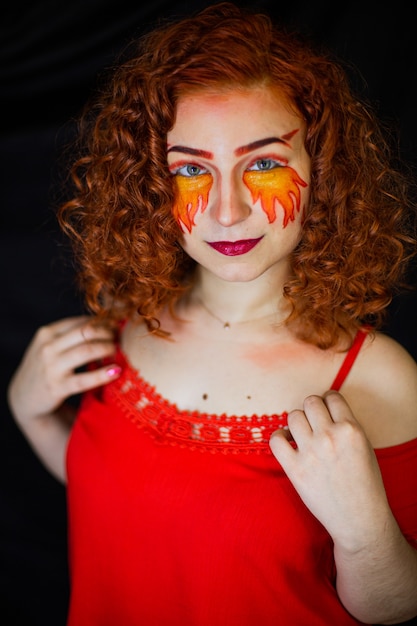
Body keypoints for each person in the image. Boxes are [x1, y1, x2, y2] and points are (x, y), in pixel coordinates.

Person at [7, 2, 417, 625]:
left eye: (264, 164)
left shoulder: (379, 380)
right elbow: (136, 507)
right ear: (151, 180)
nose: (226, 210)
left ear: (323, 170)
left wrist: (364, 531)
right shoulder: (127, 314)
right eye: (193, 169)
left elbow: (399, 606)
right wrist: (30, 414)